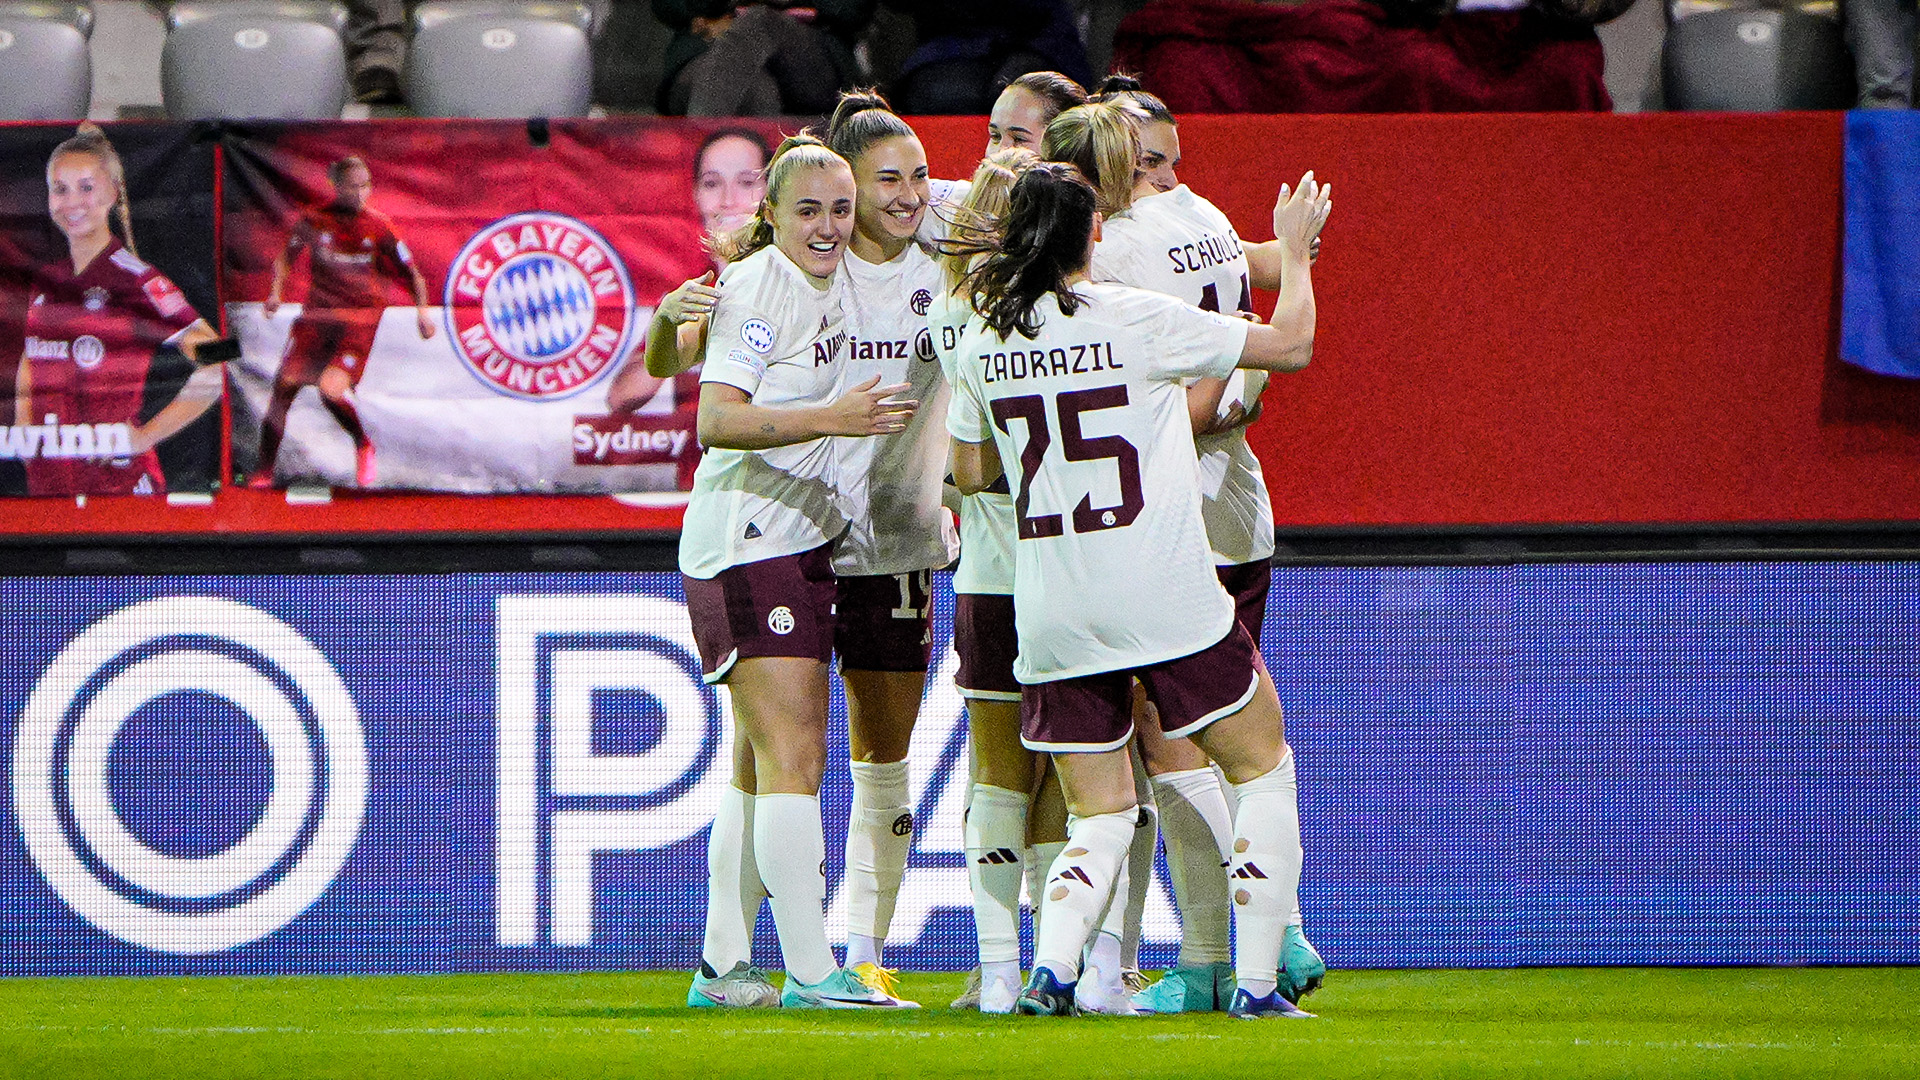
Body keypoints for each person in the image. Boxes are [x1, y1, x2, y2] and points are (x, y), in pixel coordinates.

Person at [945, 160, 1330, 1019]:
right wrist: (1296, 255)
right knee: (1262, 766)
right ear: (1094, 235)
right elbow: (1291, 348)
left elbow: (970, 472)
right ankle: (1259, 987)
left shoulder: (980, 339)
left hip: (1051, 607)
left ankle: (1050, 972)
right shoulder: (1137, 319)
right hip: (1163, 591)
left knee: (1102, 813)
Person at [1053, 89, 1331, 1014]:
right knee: (1217, 741)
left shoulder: (1114, 251)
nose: (1168, 176)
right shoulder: (1204, 218)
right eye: (1149, 162)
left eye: (1170, 158)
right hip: (1237, 502)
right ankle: (1261, 938)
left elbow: (1197, 394)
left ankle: (1223, 952)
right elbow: (1243, 349)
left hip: (1165, 519)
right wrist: (1288, 249)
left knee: (1179, 747)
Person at [678, 134, 919, 1010]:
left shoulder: (838, 280)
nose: (825, 226)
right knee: (796, 754)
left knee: (754, 766)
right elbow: (716, 420)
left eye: (838, 209)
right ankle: (815, 971)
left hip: (797, 542)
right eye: (807, 209)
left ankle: (721, 966)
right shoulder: (759, 288)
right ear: (770, 213)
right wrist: (832, 418)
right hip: (748, 541)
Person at [816, 91, 961, 992]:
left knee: (883, 763)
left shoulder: (947, 265)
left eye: (918, 176)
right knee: (775, 765)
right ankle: (740, 956)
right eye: (889, 181)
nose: (910, 194)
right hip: (786, 542)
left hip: (895, 549)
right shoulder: (798, 270)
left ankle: (865, 956)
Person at [930, 146, 1043, 1014]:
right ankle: (1085, 961)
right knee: (1094, 779)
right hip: (1076, 577)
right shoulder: (1082, 322)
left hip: (994, 576)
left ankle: (1001, 969)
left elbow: (960, 474)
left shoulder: (962, 326)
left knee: (1000, 776)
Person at [13, 124, 228, 497]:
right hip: (48, 485)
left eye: (86, 187)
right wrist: (22, 429)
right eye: (60, 189)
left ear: (112, 192)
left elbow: (220, 358)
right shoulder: (48, 279)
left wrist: (145, 437)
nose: (72, 203)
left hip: (118, 487)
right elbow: (32, 358)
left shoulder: (137, 280)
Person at [252, 156, 434, 490]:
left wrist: (423, 313)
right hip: (317, 317)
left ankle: (363, 443)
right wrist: (275, 293)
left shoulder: (379, 226)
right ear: (335, 185)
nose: (361, 192)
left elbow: (413, 273)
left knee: (330, 390)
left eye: (366, 185)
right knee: (284, 389)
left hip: (358, 321)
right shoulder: (313, 220)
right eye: (353, 185)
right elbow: (285, 258)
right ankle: (264, 469)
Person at [605, 127, 770, 417]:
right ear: (695, 194)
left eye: (746, 183)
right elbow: (621, 398)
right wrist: (675, 334)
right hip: (705, 459)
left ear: (772, 191)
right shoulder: (692, 290)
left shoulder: (796, 280)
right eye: (711, 184)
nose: (728, 200)